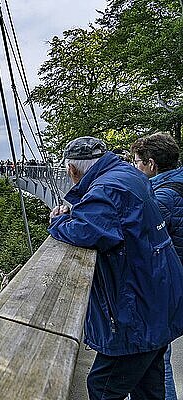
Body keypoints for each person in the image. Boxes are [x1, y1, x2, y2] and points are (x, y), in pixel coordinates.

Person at [48, 136, 183, 400]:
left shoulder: (107, 190)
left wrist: (58, 220)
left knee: (102, 387)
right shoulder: (126, 176)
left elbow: (86, 231)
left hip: (137, 312)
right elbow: (110, 221)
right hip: (157, 300)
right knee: (149, 388)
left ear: (72, 170)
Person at [131, 133, 183, 400]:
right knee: (159, 361)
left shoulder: (161, 198)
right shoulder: (177, 185)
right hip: (174, 288)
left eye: (137, 162)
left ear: (151, 164)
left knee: (156, 365)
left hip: (163, 291)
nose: (134, 167)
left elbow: (133, 239)